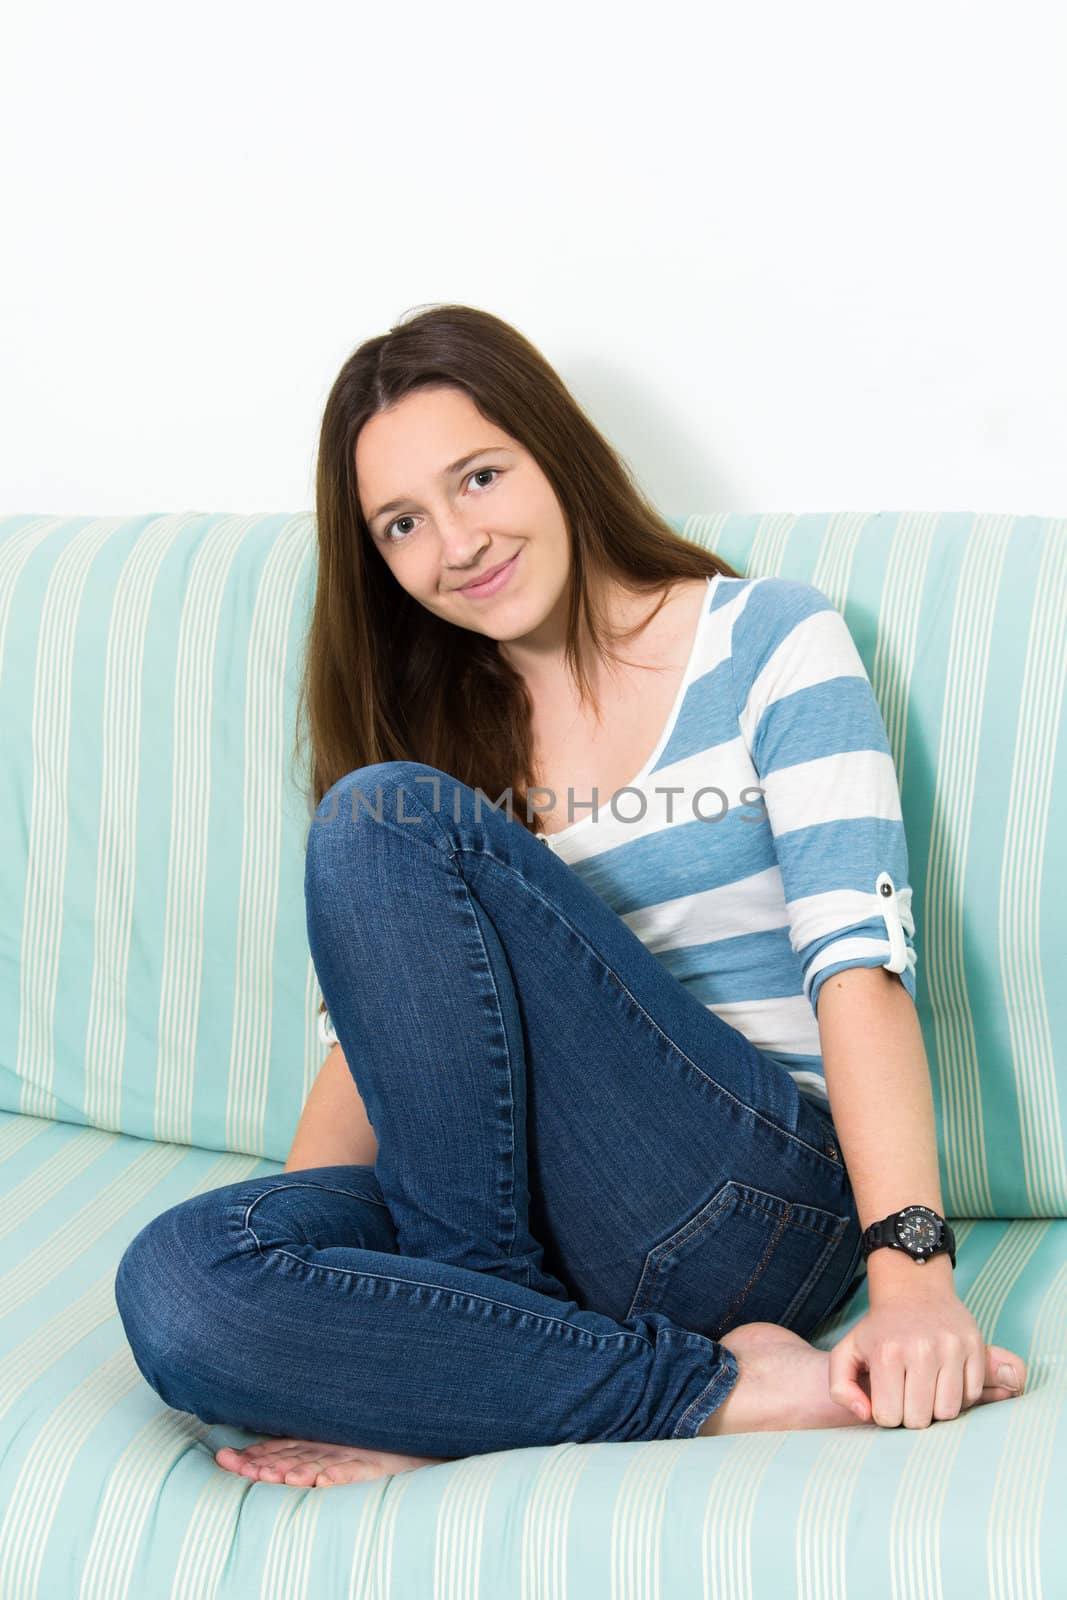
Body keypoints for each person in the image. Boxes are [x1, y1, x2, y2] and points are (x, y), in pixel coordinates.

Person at [114, 305, 1026, 1489]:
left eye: (478, 476)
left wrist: (911, 1278)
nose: (455, 542)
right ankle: (681, 1383)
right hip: (535, 1232)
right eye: (402, 523)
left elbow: (856, 967)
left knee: (376, 813)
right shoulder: (430, 734)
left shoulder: (769, 641)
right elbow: (371, 1063)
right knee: (181, 1281)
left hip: (743, 1200)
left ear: (554, 450)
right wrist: (306, 1273)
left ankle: (469, 1355)